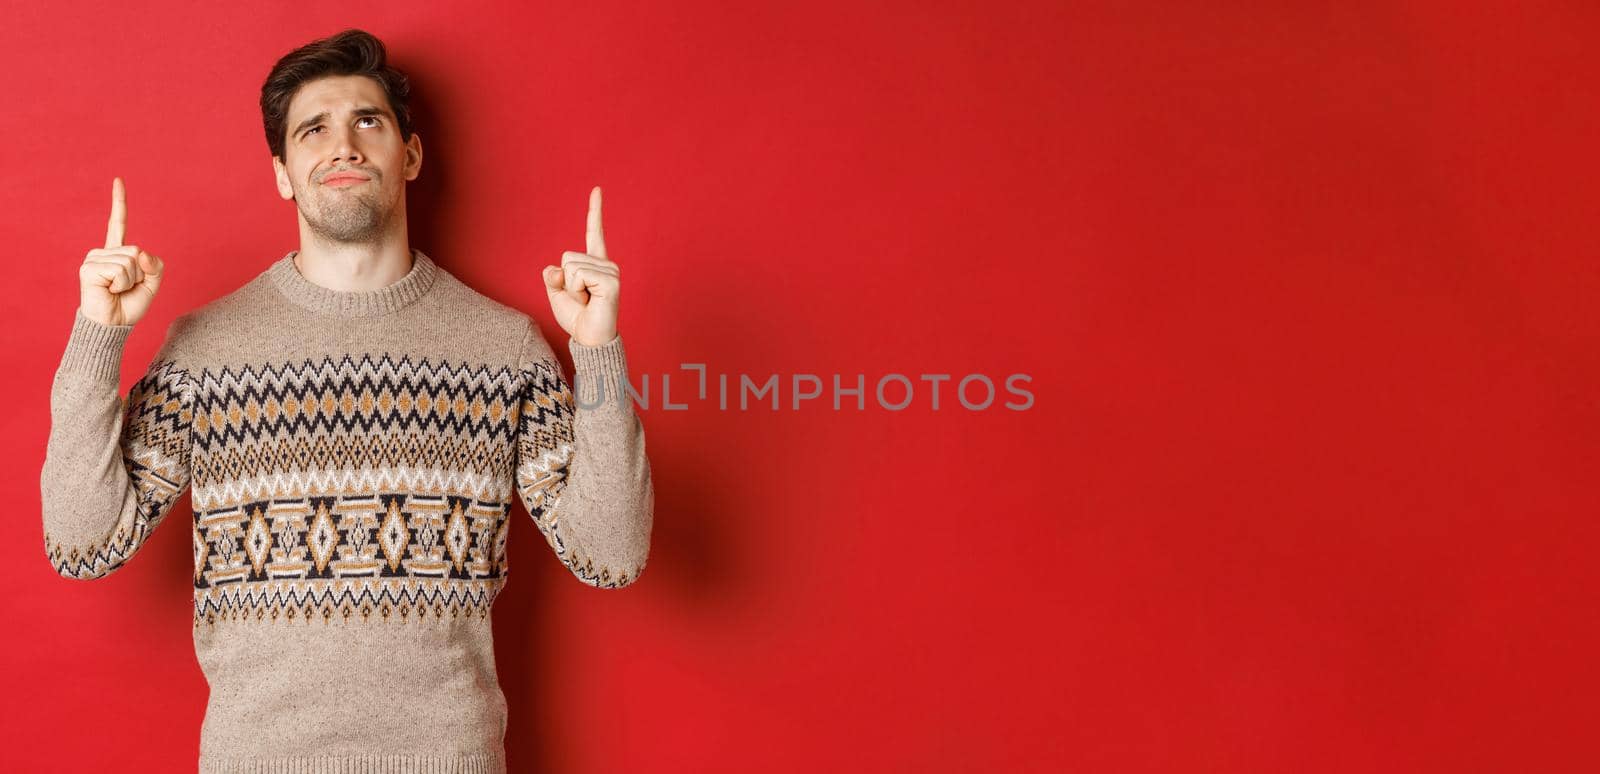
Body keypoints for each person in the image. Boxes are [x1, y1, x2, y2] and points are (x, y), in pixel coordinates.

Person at [39, 28, 653, 773]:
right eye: (313, 129)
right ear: (283, 173)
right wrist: (97, 334)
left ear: (412, 155)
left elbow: (613, 555)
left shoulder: (505, 349)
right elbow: (81, 544)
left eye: (368, 120)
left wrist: (598, 353)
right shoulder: (206, 348)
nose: (344, 146)